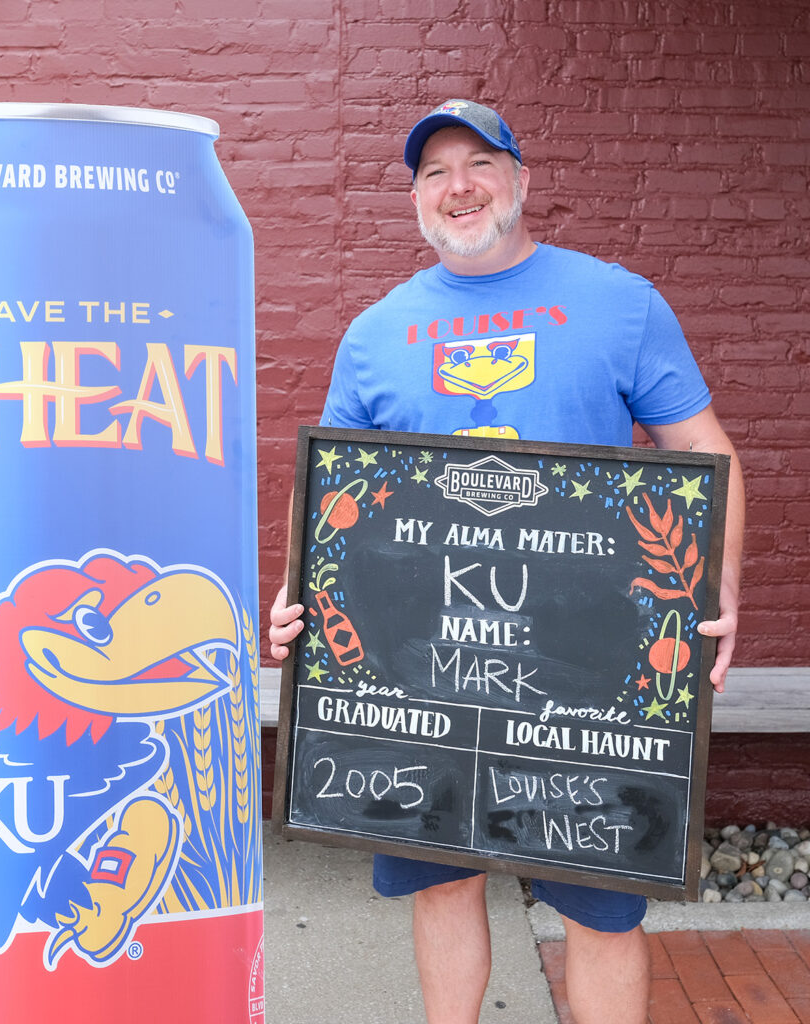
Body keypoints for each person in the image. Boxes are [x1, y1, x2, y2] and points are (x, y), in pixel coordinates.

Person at [268, 99, 745, 1024]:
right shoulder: (376, 331)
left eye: (480, 163)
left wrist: (720, 584)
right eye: (436, 172)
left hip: (585, 671)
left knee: (600, 904)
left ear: (520, 181)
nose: (460, 187)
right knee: (441, 884)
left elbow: (710, 455)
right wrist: (295, 590)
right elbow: (330, 490)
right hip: (424, 666)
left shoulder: (618, 302)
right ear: (415, 197)